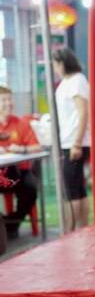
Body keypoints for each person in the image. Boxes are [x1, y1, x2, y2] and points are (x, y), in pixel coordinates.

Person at [53, 48, 91, 231]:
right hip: (69, 140)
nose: (54, 69)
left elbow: (83, 112)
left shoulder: (77, 81)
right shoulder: (66, 82)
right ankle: (82, 228)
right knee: (78, 188)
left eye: (55, 64)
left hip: (75, 142)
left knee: (71, 189)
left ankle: (70, 229)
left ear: (62, 63)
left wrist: (77, 143)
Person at [0, 86, 42, 238]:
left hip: (17, 173)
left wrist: (21, 149)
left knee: (31, 188)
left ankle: (10, 223)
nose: (9, 103)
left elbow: (37, 147)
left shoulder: (20, 123)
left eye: (10, 99)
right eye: (4, 100)